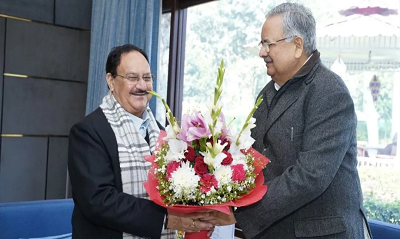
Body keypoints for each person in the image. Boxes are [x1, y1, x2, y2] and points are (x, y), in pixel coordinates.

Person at [204, 3, 372, 239]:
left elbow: (311, 176)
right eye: (261, 45)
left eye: (267, 44)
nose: (262, 52)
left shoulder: (329, 91)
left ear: (297, 45)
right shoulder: (266, 94)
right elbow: (252, 159)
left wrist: (241, 210)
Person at [68, 44, 213, 239]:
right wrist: (167, 220)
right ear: (111, 81)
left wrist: (197, 215)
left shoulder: (162, 132)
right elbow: (99, 201)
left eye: (147, 78)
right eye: (132, 78)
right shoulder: (88, 132)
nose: (142, 86)